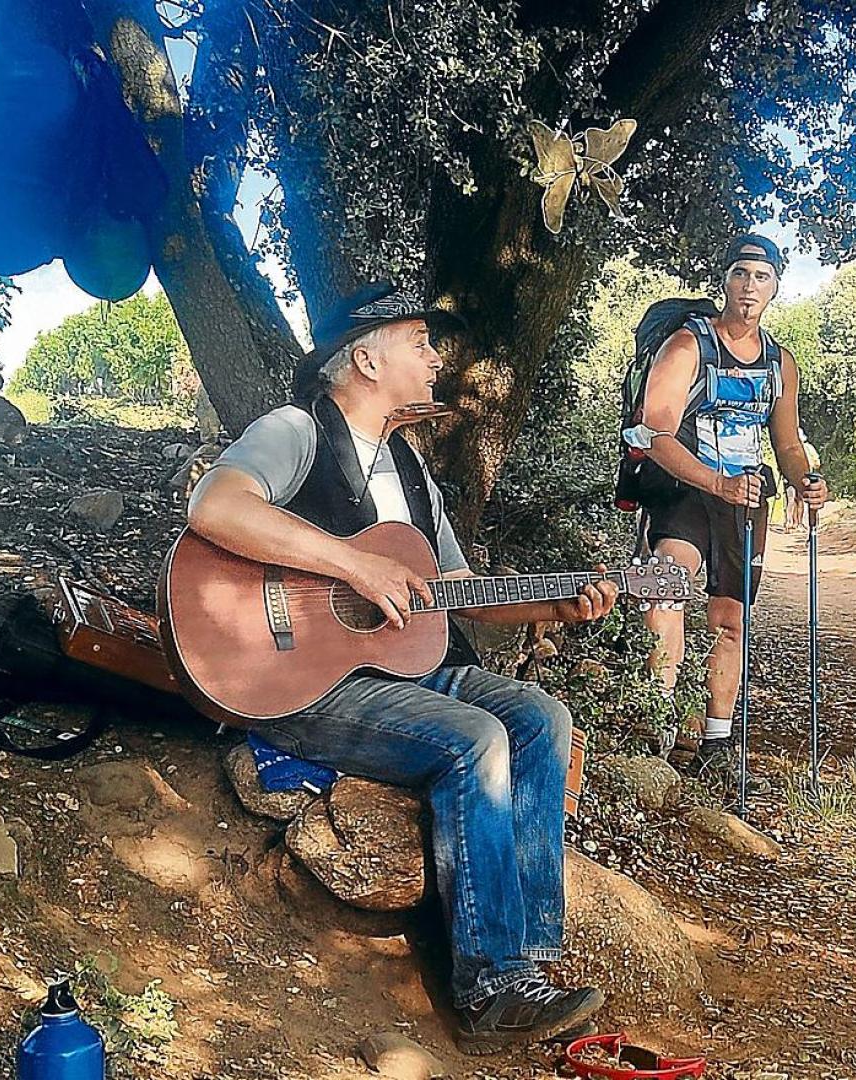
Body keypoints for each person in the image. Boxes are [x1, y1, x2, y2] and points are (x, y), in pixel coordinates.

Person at [185, 283, 616, 1053]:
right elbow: (216, 507)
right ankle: (490, 991)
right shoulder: (296, 430)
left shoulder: (408, 466)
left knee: (541, 716)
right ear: (364, 356)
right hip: (303, 680)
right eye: (418, 342)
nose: (434, 357)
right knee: (476, 738)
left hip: (402, 672)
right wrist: (352, 565)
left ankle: (533, 958)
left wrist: (552, 605)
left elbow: (454, 592)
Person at [629, 233, 829, 789]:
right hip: (686, 487)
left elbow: (786, 443)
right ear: (724, 279)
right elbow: (655, 431)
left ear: (775, 288)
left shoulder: (780, 362)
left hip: (744, 500)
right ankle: (657, 727)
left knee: (730, 620)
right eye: (741, 273)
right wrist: (713, 481)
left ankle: (716, 739)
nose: (750, 286)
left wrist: (804, 479)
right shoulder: (688, 345)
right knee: (666, 588)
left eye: (762, 278)